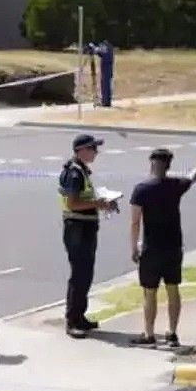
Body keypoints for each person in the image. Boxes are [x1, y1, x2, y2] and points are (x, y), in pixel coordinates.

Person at [129, 149, 196, 347]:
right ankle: (172, 332)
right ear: (168, 166)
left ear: (151, 164)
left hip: (151, 247)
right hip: (173, 246)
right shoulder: (175, 185)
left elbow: (135, 222)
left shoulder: (141, 189)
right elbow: (193, 177)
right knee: (173, 289)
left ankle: (149, 333)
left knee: (149, 292)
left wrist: (133, 247)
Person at [59, 133, 116, 339]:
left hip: (85, 227)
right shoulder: (74, 173)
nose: (96, 152)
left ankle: (80, 316)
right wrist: (98, 204)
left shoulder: (82, 171)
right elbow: (72, 203)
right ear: (81, 150)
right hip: (77, 228)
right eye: (92, 148)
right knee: (79, 274)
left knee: (86, 273)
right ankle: (72, 320)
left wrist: (101, 201)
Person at [89, 41, 115, 107]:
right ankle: (106, 102)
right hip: (106, 70)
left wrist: (93, 47)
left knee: (105, 86)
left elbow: (99, 51)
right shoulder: (109, 49)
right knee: (106, 86)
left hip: (106, 70)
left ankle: (105, 102)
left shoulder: (107, 49)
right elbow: (100, 53)